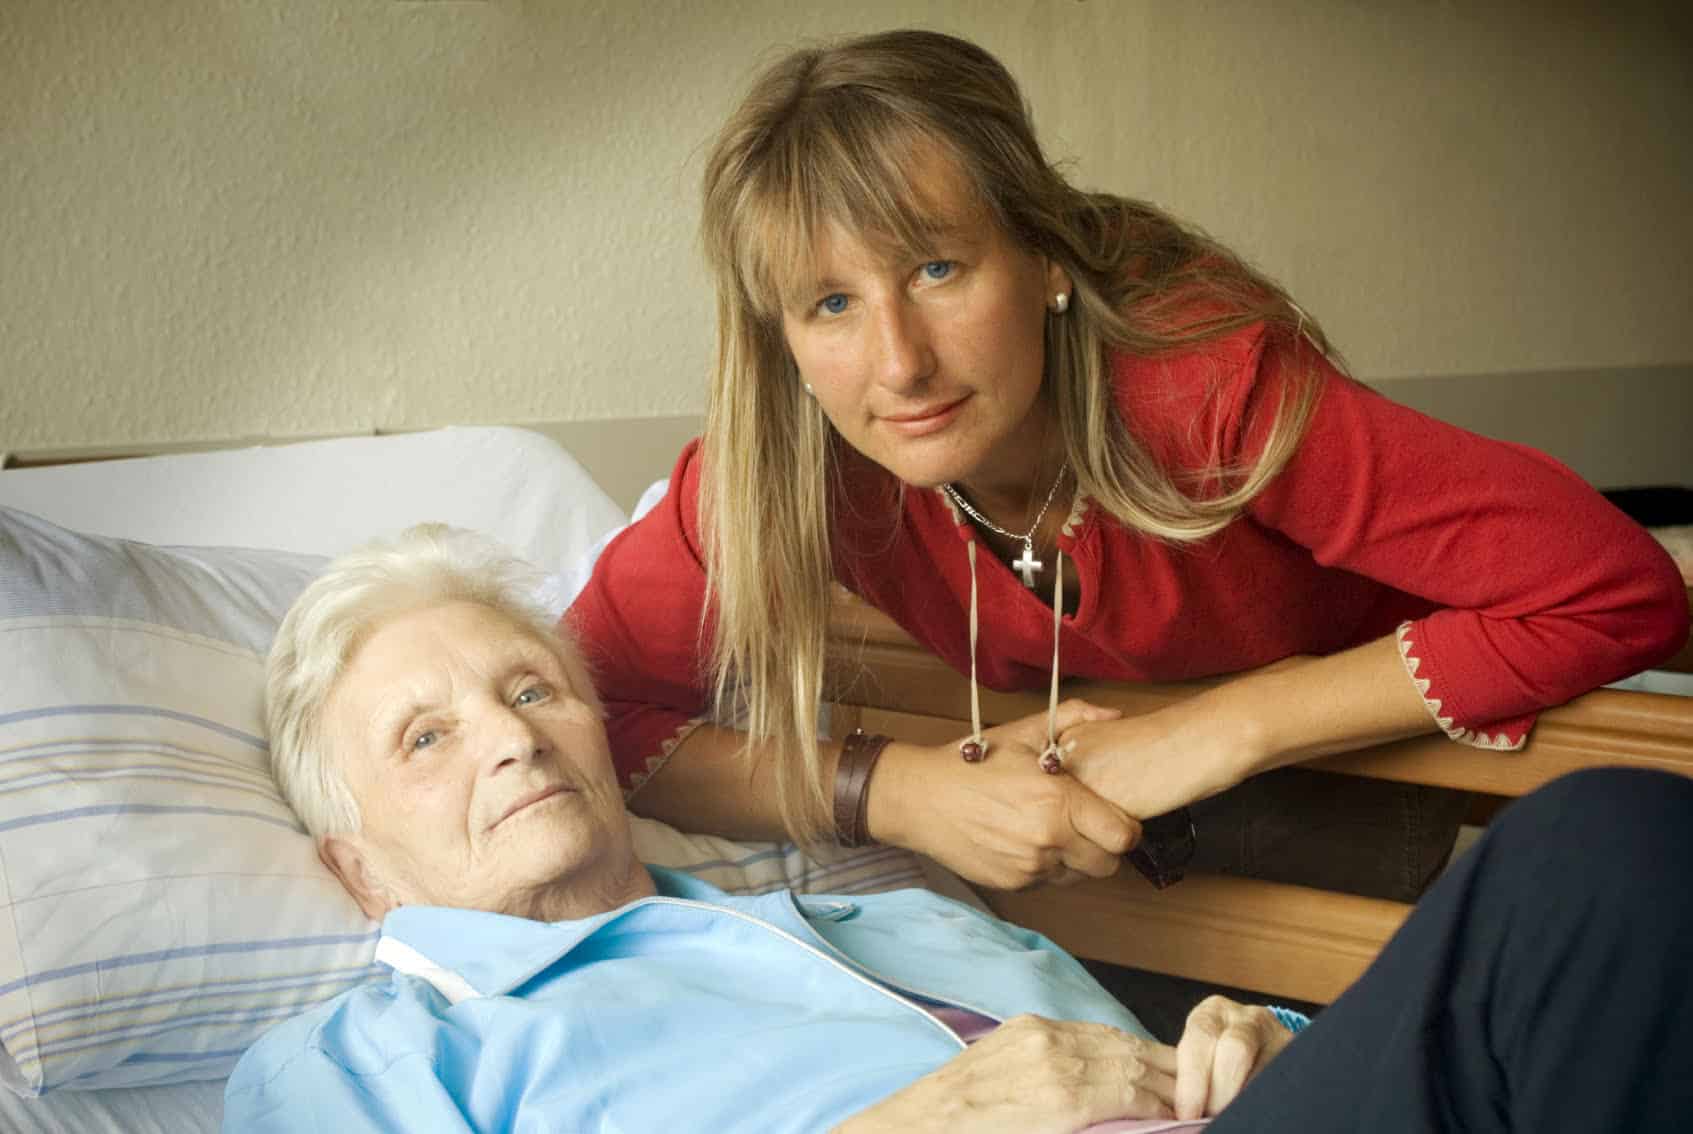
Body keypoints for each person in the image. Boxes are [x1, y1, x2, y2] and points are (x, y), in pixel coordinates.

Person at [567, 28, 1689, 897]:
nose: (898, 365)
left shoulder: (1202, 390)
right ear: (782, 343)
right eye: (829, 303)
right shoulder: (781, 466)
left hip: (1423, 765)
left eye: (940, 269)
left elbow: (1614, 587)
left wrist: (1217, 730)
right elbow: (575, 712)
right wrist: (890, 791)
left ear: (1044, 257)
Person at [227, 526, 1693, 1133]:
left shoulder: (885, 917)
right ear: (355, 862)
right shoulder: (366, 1060)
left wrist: (1248, 1042)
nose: (508, 734)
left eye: (532, 686)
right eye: (426, 735)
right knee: (1594, 862)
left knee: (1611, 872)